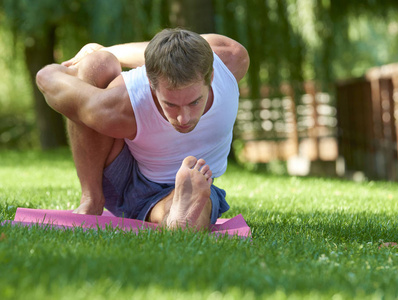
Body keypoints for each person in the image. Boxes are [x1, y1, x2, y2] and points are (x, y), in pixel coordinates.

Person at [36, 28, 250, 230]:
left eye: (194, 102)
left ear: (210, 77)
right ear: (151, 83)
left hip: (191, 183)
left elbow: (178, 48)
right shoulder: (123, 103)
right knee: (97, 64)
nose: (183, 118)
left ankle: (177, 214)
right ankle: (91, 199)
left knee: (199, 203)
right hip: (124, 176)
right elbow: (55, 87)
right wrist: (59, 71)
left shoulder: (231, 58)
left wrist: (110, 50)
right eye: (171, 104)